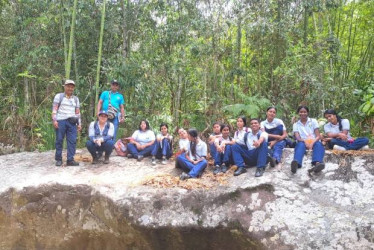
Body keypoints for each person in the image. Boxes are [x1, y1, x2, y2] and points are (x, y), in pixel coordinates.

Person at [52, 80, 81, 167]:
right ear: (64, 86)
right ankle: (58, 159)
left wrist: (79, 123)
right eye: (68, 86)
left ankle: (70, 159)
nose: (70, 88)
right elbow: (54, 110)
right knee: (59, 140)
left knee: (72, 141)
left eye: (72, 87)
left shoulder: (75, 99)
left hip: (72, 122)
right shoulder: (59, 96)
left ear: (73, 88)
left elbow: (77, 112)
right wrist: (54, 120)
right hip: (61, 120)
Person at [291, 106, 325, 174]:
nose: (303, 113)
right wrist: (304, 142)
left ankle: (317, 164)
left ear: (307, 113)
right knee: (300, 145)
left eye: (304, 112)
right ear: (298, 113)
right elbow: (298, 137)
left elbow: (318, 136)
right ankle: (296, 163)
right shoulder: (296, 124)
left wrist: (312, 143)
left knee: (318, 144)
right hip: (302, 141)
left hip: (314, 141)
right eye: (301, 112)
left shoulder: (313, 121)